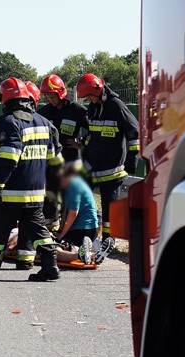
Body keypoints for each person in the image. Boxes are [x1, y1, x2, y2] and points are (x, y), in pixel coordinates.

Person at [0, 78, 59, 282]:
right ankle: (50, 265)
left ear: (4, 97)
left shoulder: (7, 122)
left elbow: (6, 156)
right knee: (37, 229)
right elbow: (53, 157)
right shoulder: (44, 122)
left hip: (10, 191)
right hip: (35, 192)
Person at [76, 73, 140, 242]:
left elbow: (134, 133)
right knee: (83, 202)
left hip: (113, 171)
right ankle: (87, 237)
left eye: (89, 96)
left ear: (97, 91)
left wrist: (132, 159)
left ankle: (108, 241)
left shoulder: (116, 106)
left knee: (109, 212)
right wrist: (83, 143)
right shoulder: (94, 107)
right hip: (94, 168)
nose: (88, 100)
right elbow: (93, 133)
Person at [39, 74, 89, 170]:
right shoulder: (44, 112)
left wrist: (82, 144)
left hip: (72, 162)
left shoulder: (77, 110)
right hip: (51, 164)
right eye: (48, 98)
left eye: (53, 97)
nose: (51, 100)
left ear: (60, 93)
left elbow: (94, 129)